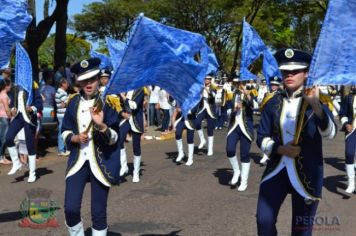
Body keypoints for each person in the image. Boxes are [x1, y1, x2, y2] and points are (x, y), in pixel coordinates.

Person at [256, 48, 336, 235]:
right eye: (285, 71)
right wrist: (280, 149)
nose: (289, 74)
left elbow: (329, 133)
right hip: (277, 169)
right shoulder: (271, 102)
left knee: (301, 230)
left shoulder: (319, 100)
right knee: (264, 220)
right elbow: (261, 137)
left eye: (296, 71)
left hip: (307, 173)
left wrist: (315, 105)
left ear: (306, 73)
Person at [62, 58, 121, 235]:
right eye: (84, 80)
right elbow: (64, 130)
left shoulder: (108, 103)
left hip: (101, 162)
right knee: (70, 209)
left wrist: (101, 126)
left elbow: (114, 138)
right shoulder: (72, 102)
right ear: (78, 81)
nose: (88, 84)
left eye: (92, 79)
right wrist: (74, 138)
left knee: (98, 212)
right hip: (77, 162)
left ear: (98, 79)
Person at [6, 79, 43, 183]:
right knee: (8, 138)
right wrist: (12, 108)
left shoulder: (32, 85)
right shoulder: (16, 87)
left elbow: (39, 103)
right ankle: (16, 163)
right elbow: (13, 102)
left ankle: (32, 173)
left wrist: (32, 108)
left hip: (29, 118)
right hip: (18, 116)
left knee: (30, 144)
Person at [226, 77, 254, 191]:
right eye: (236, 83)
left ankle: (244, 181)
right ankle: (237, 171)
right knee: (230, 150)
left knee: (244, 154)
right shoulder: (234, 94)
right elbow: (228, 111)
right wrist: (234, 109)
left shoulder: (251, 92)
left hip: (246, 129)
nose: (239, 85)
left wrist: (247, 95)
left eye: (241, 83)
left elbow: (255, 106)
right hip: (234, 126)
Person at [118, 87, 146, 182]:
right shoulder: (125, 88)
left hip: (136, 120)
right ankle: (124, 166)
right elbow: (119, 105)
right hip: (126, 119)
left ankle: (136, 173)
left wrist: (123, 96)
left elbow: (134, 105)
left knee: (136, 147)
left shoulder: (140, 90)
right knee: (119, 139)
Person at [339, 85, 356, 193]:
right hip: (352, 130)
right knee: (349, 153)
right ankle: (351, 182)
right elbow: (342, 113)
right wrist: (346, 124)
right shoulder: (349, 97)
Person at [195, 75, 217, 156]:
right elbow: (197, 97)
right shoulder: (201, 87)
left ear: (210, 80)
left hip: (210, 111)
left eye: (208, 79)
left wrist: (206, 90)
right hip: (202, 109)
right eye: (205, 79)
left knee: (210, 129)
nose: (206, 80)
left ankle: (210, 149)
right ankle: (202, 140)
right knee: (196, 123)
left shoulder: (213, 87)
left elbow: (212, 96)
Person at [172, 101, 198, 166]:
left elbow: (193, 111)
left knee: (190, 139)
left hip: (191, 120)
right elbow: (174, 104)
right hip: (183, 119)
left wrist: (182, 109)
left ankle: (190, 159)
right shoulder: (182, 97)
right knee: (177, 132)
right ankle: (181, 153)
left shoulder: (195, 98)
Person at [55, 78, 70, 156]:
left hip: (61, 114)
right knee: (61, 132)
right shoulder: (61, 93)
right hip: (62, 115)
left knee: (63, 131)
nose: (68, 85)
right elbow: (67, 103)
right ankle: (61, 150)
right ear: (63, 84)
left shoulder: (62, 92)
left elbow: (65, 103)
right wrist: (70, 99)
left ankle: (64, 149)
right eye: (67, 83)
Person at [0, 78, 12, 164]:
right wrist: (10, 117)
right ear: (6, 86)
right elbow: (7, 109)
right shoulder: (4, 96)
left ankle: (2, 156)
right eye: (10, 85)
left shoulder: (1, 94)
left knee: (2, 138)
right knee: (4, 138)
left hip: (2, 117)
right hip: (4, 118)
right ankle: (1, 157)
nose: (11, 87)